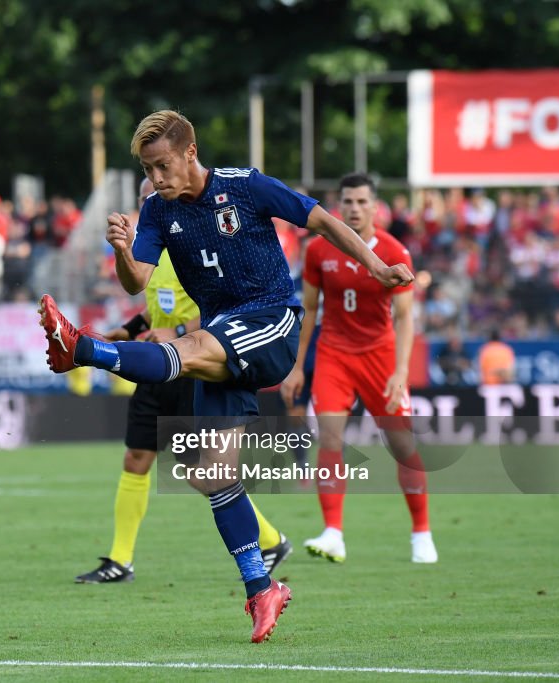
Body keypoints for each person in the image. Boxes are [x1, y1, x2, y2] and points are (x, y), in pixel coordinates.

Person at [38, 110, 414, 643]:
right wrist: (123, 251)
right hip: (224, 334)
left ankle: (84, 350)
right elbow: (134, 283)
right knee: (211, 473)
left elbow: (324, 222)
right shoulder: (155, 210)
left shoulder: (246, 186)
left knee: (182, 348)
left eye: (162, 166)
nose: (156, 178)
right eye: (148, 170)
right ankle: (262, 588)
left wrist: (376, 268)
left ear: (189, 152)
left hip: (271, 321)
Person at [77, 177, 293, 585]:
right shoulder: (151, 252)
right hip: (155, 366)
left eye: (154, 198)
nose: (151, 205)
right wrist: (123, 332)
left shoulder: (191, 244)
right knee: (136, 458)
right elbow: (154, 311)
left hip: (188, 365)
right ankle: (120, 560)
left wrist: (177, 335)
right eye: (145, 200)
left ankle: (270, 539)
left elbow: (219, 308)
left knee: (203, 471)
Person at [280, 172, 438, 565]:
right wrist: (298, 366)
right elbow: (311, 311)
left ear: (375, 207)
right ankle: (333, 532)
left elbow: (404, 318)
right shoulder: (318, 251)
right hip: (334, 354)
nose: (353, 208)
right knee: (330, 439)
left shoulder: (395, 251)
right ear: (339, 204)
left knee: (402, 446)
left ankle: (421, 533)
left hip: (380, 357)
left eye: (361, 202)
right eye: (347, 201)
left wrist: (401, 371)